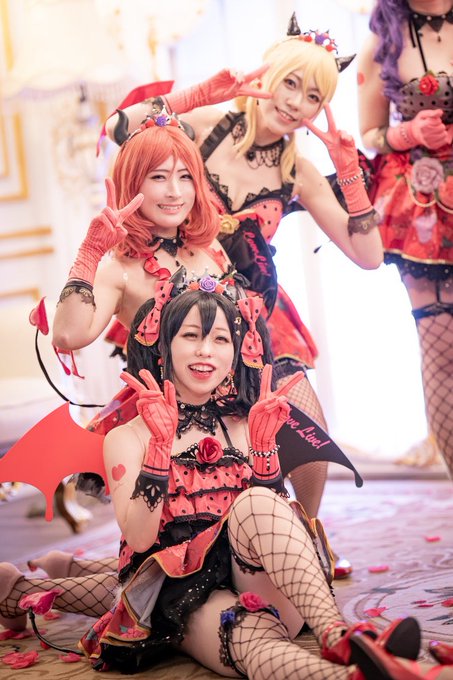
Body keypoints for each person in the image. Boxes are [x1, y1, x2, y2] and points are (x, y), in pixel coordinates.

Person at [0, 282, 447, 679]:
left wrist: (266, 454)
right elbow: (139, 540)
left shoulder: (246, 422)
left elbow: (274, 531)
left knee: (257, 502)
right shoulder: (128, 436)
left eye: (220, 339)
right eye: (190, 336)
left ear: (235, 352)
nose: (205, 351)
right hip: (181, 591)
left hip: (258, 576)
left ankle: (338, 635)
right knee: (251, 636)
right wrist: (159, 449)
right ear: (164, 347)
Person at [104, 14, 384, 566]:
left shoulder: (299, 170)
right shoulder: (204, 124)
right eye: (290, 83)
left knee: (307, 426)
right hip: (180, 314)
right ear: (267, 75)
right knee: (196, 443)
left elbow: (369, 255)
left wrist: (348, 172)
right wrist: (194, 97)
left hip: (257, 317)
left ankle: (305, 534)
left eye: (314, 96)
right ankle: (191, 550)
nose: (297, 103)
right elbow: (119, 128)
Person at [357, 0, 453, 474]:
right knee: (439, 346)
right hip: (421, 205)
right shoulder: (384, 38)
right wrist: (409, 132)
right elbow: (370, 134)